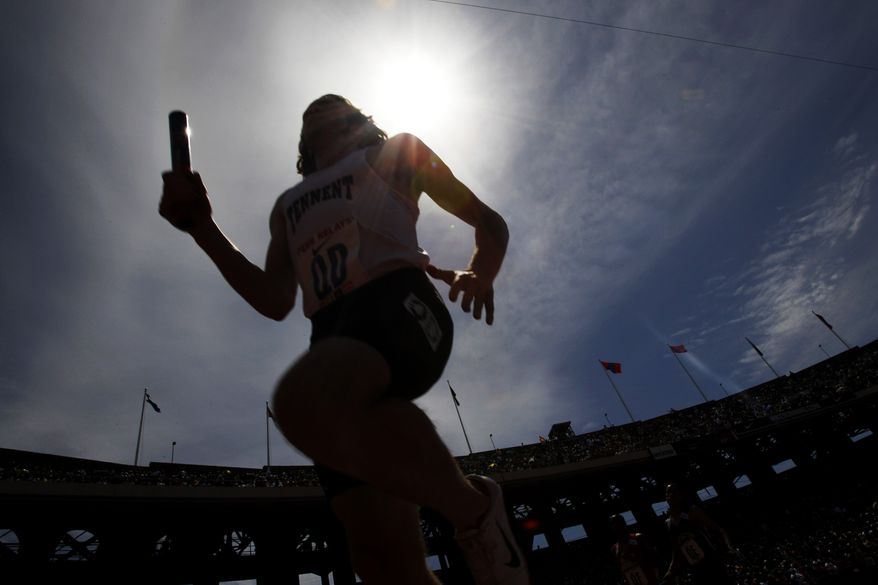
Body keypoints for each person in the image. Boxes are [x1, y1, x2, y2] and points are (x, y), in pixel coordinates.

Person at [159, 94, 529, 585]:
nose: (320, 106)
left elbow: (490, 222)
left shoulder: (397, 153)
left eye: (335, 105)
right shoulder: (286, 208)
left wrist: (480, 274)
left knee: (302, 400)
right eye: (310, 110)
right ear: (302, 141)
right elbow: (273, 300)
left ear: (359, 119)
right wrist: (201, 227)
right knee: (381, 560)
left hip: (399, 305)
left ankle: (476, 511)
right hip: (331, 337)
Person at [662, 483, 734, 585]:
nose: (670, 494)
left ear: (681, 496)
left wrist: (729, 548)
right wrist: (670, 571)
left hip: (712, 563)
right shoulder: (668, 523)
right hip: (695, 569)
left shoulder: (693, 511)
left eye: (673, 491)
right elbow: (676, 551)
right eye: (667, 492)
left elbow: (719, 530)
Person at [609, 514, 660, 585]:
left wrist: (635, 558)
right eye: (613, 524)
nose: (615, 526)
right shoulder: (614, 549)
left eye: (618, 523)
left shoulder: (637, 538)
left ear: (623, 523)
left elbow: (653, 556)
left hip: (648, 578)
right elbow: (618, 569)